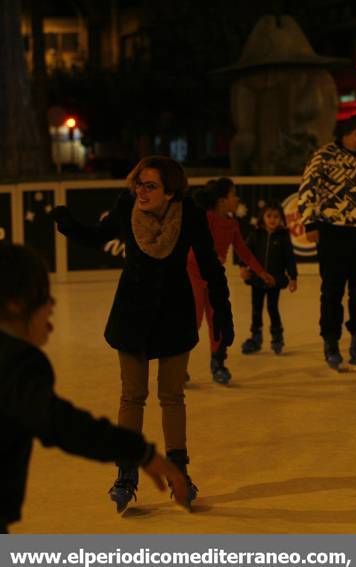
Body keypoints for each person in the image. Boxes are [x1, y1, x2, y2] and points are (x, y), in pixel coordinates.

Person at [52, 155, 233, 512]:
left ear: (170, 191)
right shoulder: (126, 208)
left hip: (174, 314)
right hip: (132, 314)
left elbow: (211, 265)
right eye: (138, 183)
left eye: (150, 185)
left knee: (172, 395)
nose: (141, 191)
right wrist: (69, 224)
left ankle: (179, 473)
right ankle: (125, 474)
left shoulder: (190, 215)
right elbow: (96, 235)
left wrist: (223, 312)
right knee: (132, 396)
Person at [0, 245, 189, 532]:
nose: (52, 305)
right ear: (15, 303)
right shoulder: (17, 362)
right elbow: (61, 424)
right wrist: (141, 453)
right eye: (43, 297)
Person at [298, 114, 356, 370]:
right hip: (334, 232)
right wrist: (310, 222)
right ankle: (331, 342)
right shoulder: (324, 155)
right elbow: (307, 186)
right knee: (333, 291)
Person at [189, 178, 274, 384]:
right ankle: (177, 364)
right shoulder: (205, 218)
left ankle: (218, 363)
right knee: (193, 320)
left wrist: (261, 272)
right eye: (233, 194)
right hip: (194, 275)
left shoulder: (232, 223)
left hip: (215, 277)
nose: (237, 198)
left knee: (218, 320)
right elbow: (193, 244)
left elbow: (243, 251)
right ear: (221, 201)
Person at [238, 202, 298, 355]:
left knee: (273, 308)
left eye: (276, 217)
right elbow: (246, 252)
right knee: (256, 309)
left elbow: (289, 258)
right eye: (269, 216)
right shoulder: (255, 234)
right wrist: (242, 267)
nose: (272, 220)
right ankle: (256, 338)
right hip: (257, 280)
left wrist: (293, 277)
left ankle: (277, 338)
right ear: (262, 217)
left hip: (274, 281)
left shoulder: (283, 236)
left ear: (281, 219)